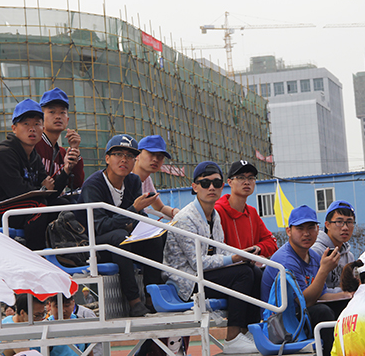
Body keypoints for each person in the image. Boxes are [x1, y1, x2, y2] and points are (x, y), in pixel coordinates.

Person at [162, 161, 261, 354]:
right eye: (205, 183)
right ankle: (232, 338)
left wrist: (241, 256)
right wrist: (234, 259)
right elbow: (197, 262)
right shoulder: (185, 218)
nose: (211, 188)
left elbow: (219, 252)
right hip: (186, 282)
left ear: (222, 186)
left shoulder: (214, 215)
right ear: (195, 187)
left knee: (254, 271)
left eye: (216, 183)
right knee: (243, 273)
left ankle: (245, 331)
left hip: (202, 275)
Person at [78, 134, 165, 317]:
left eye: (130, 156)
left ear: (135, 161)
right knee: (119, 236)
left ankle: (152, 296)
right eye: (118, 154)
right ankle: (134, 301)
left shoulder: (133, 181)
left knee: (155, 236)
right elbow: (100, 226)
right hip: (93, 244)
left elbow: (137, 218)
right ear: (107, 158)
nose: (124, 159)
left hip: (121, 237)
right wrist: (132, 211)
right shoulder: (93, 185)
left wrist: (138, 220)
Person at [0, 99, 71, 250]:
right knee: (37, 207)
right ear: (14, 128)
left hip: (15, 207)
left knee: (62, 205)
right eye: (26, 124)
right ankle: (36, 254)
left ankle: (66, 254)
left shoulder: (34, 156)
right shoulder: (3, 154)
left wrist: (66, 170)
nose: (32, 129)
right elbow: (18, 192)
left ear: (42, 128)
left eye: (37, 124)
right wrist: (43, 189)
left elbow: (50, 194)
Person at [261, 205, 351, 356]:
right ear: (289, 231)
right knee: (322, 313)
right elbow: (304, 302)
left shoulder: (313, 256)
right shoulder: (286, 260)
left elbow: (321, 294)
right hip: (280, 321)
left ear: (318, 229)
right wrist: (324, 271)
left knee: (347, 306)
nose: (306, 233)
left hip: (299, 314)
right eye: (300, 228)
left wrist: (349, 295)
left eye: (311, 228)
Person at [214, 160, 277, 257]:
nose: (247, 182)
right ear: (230, 182)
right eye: (241, 178)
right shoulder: (217, 211)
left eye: (251, 178)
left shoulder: (252, 212)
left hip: (250, 264)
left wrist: (258, 248)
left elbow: (272, 242)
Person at [36, 88, 84, 196]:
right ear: (41, 117)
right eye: (52, 112)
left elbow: (76, 184)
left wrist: (75, 150)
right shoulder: (34, 145)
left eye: (62, 112)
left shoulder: (63, 153)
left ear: (67, 120)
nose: (58, 116)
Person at [311, 200, 356, 293]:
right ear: (327, 225)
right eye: (339, 222)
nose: (345, 227)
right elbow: (313, 291)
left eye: (349, 222)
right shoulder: (316, 252)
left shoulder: (349, 256)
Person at [132, 135, 179, 218]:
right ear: (137, 155)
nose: (155, 159)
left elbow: (160, 208)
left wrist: (175, 212)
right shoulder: (125, 177)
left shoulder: (147, 180)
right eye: (151, 154)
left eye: (160, 156)